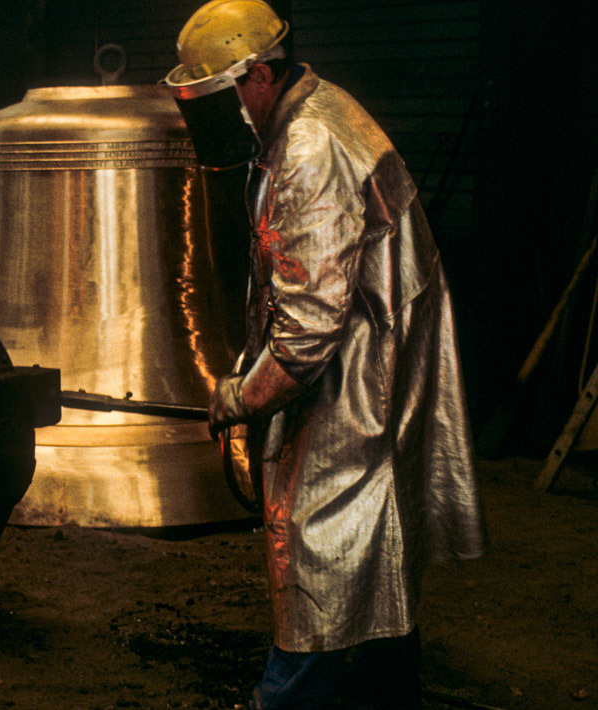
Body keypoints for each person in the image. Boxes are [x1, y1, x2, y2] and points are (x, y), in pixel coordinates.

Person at [164, 2, 486, 708]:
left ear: (259, 76)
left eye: (215, 95)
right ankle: (384, 689)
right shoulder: (313, 108)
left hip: (358, 375)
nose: (209, 114)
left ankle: (292, 695)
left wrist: (240, 397)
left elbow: (309, 334)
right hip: (375, 356)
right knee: (374, 547)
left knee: (322, 544)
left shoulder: (311, 147)